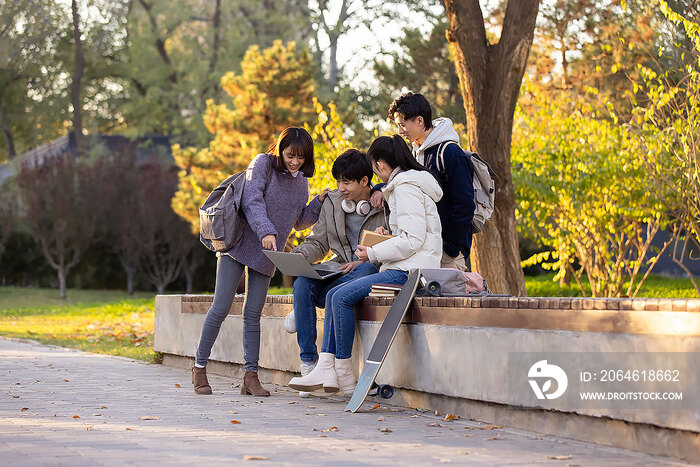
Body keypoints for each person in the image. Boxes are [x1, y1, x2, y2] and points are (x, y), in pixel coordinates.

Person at [288, 135, 442, 395]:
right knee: (324, 290)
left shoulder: (401, 190)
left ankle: (338, 370)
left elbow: (412, 240)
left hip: (408, 271)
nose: (341, 187)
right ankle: (326, 368)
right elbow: (410, 235)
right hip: (397, 266)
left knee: (340, 296)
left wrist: (372, 250)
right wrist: (385, 236)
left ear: (380, 166)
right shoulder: (401, 188)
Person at [192, 127, 329, 397]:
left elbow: (298, 220)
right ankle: (199, 367)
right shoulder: (263, 163)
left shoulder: (302, 182)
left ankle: (250, 376)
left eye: (301, 157)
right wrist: (266, 230)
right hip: (241, 242)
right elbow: (251, 200)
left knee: (253, 314)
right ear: (280, 149)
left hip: (269, 251)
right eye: (290, 155)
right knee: (220, 307)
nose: (295, 161)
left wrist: (319, 202)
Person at [284, 149, 388, 397]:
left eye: (347, 182)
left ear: (365, 181)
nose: (340, 187)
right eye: (338, 181)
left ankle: (302, 314)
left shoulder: (382, 203)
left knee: (358, 273)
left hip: (368, 270)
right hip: (338, 270)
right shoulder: (332, 202)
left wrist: (364, 257)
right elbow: (318, 242)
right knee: (302, 284)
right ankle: (309, 365)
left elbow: (393, 242)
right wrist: (301, 255)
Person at [377, 92, 476, 270]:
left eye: (402, 124)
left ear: (420, 121)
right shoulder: (414, 152)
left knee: (448, 298)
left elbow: (465, 204)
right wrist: (378, 189)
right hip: (423, 250)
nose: (400, 131)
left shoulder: (450, 153)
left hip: (448, 252)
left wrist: (451, 248)